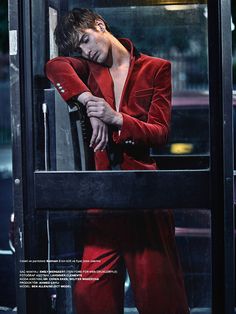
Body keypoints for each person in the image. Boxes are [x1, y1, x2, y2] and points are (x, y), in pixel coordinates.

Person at [45, 8, 189, 314]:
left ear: (100, 25)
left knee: (160, 298)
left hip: (143, 196)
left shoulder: (156, 68)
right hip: (101, 198)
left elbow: (161, 132)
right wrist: (89, 102)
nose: (86, 52)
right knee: (90, 295)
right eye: (79, 48)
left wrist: (117, 119)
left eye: (86, 40)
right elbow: (54, 66)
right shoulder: (85, 69)